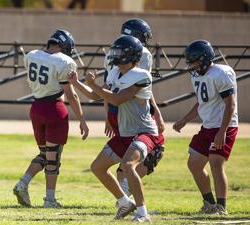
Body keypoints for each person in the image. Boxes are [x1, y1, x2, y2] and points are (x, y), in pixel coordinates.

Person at [69, 35, 164, 222]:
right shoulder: (114, 72)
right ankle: (124, 202)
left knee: (129, 166)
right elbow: (95, 95)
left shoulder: (142, 75)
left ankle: (143, 213)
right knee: (98, 167)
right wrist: (77, 83)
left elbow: (117, 99)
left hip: (144, 132)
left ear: (131, 55)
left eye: (121, 52)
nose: (116, 55)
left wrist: (94, 85)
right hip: (125, 133)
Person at [13, 29, 89, 208]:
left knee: (45, 154)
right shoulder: (64, 61)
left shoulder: (32, 55)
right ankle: (50, 199)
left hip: (36, 108)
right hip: (54, 109)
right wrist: (82, 120)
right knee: (53, 157)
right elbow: (72, 96)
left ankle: (23, 183)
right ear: (64, 46)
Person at [173, 40, 238, 215]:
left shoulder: (221, 73)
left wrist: (222, 132)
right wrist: (185, 120)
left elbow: (230, 105)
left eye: (194, 62)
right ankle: (209, 204)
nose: (192, 66)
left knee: (216, 163)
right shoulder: (196, 75)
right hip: (208, 125)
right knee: (194, 164)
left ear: (205, 59)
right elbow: (202, 102)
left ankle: (221, 207)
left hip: (225, 124)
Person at [103, 18, 165, 197]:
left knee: (127, 151)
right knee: (155, 148)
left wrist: (107, 114)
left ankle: (124, 195)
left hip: (115, 110)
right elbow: (140, 86)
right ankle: (127, 194)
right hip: (130, 107)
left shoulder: (112, 50)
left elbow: (107, 87)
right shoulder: (141, 52)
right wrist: (158, 114)